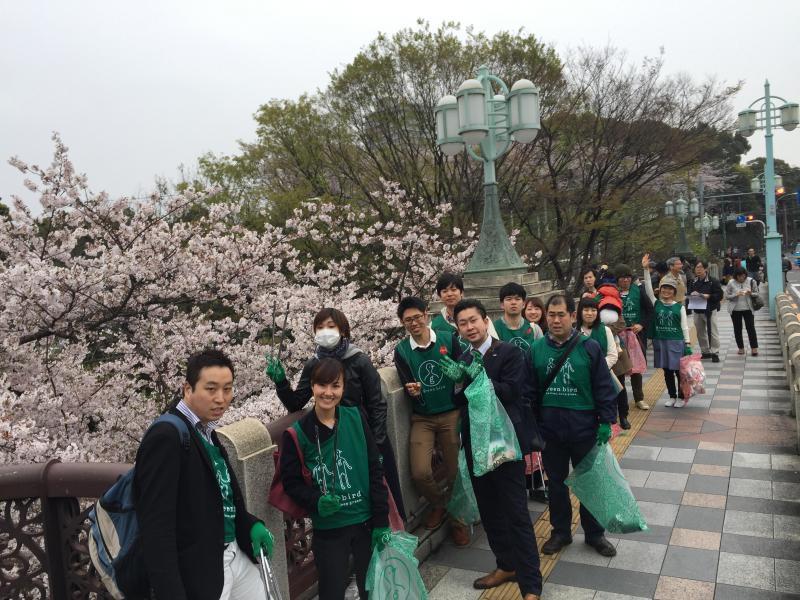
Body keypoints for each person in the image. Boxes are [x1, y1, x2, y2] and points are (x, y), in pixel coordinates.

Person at [134, 349, 274, 600]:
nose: (221, 398)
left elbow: (224, 496)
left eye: (227, 389)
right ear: (188, 389)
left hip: (234, 554)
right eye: (211, 389)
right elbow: (156, 527)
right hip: (201, 566)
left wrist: (249, 524)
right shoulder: (167, 436)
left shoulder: (206, 431)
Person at [440, 299, 542, 600]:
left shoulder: (508, 352)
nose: (469, 327)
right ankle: (505, 565)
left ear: (486, 321)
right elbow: (458, 400)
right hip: (475, 442)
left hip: (505, 444)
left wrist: (473, 376)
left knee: (516, 513)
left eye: (474, 320)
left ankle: (531, 584)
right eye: (463, 323)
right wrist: (458, 382)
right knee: (489, 510)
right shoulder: (463, 353)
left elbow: (511, 391)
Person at [265, 307, 405, 519]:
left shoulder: (359, 359)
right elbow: (297, 403)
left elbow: (376, 403)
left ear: (343, 330)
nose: (325, 331)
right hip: (328, 434)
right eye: (320, 327)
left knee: (379, 488)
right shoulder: (313, 363)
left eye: (331, 326)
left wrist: (376, 444)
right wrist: (281, 382)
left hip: (362, 429)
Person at [279, 358, 389, 600]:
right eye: (321, 385)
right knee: (331, 590)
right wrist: (316, 501)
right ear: (312, 387)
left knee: (372, 588)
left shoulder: (356, 417)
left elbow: (375, 469)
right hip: (329, 528)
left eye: (335, 386)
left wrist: (382, 520)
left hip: (365, 521)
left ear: (343, 387)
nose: (328, 393)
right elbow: (291, 482)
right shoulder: (297, 433)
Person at [531, 294, 618, 558]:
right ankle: (560, 532)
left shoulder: (589, 347)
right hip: (551, 431)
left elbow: (604, 387)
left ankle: (595, 534)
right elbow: (530, 391)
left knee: (590, 482)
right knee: (556, 484)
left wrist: (606, 421)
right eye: (551, 315)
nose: (556, 320)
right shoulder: (536, 350)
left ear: (572, 315)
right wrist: (533, 427)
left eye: (561, 314)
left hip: (585, 430)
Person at [393, 296, 468, 545]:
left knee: (455, 469)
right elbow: (405, 381)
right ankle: (440, 504)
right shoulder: (402, 350)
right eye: (407, 321)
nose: (413, 323)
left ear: (426, 314)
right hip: (423, 417)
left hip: (450, 412)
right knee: (420, 472)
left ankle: (459, 519)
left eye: (417, 317)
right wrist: (411, 390)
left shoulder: (449, 338)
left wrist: (459, 375)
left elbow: (464, 371)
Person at [642, 254, 692, 407]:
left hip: (676, 342)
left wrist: (688, 343)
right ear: (661, 290)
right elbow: (648, 288)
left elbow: (684, 326)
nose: (666, 291)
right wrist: (645, 270)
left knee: (679, 371)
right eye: (664, 288)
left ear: (674, 291)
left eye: (670, 289)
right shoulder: (656, 303)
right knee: (667, 371)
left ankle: (682, 396)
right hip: (661, 341)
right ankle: (672, 396)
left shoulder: (679, 307)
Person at [615, 263, 653, 411]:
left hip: (636, 335)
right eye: (622, 278)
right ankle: (621, 400)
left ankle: (639, 398)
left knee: (636, 368)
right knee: (619, 368)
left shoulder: (638, 290)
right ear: (617, 280)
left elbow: (650, 310)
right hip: (618, 335)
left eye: (628, 278)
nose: (626, 281)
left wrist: (642, 324)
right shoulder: (612, 293)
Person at [430, 271, 498, 342]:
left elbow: (495, 344)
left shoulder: (480, 317)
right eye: (445, 291)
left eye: (453, 290)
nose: (449, 294)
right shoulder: (434, 325)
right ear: (439, 296)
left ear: (461, 292)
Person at [686, 260, 724, 363]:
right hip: (697, 309)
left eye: (700, 267)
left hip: (709, 309)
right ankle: (705, 351)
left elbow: (720, 295)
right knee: (700, 331)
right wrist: (691, 294)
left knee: (712, 332)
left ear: (706, 269)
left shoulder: (713, 281)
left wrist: (709, 296)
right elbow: (688, 293)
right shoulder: (693, 281)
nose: (698, 270)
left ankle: (715, 352)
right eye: (696, 267)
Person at [494, 282, 544, 351]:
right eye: (509, 299)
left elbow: (541, 356)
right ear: (502, 304)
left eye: (517, 299)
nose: (513, 302)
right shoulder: (494, 329)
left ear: (523, 304)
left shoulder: (535, 329)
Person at [725, 266, 760, 356]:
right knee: (737, 329)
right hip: (735, 309)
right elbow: (726, 296)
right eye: (739, 276)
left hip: (748, 309)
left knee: (751, 328)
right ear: (736, 276)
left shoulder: (751, 281)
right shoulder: (731, 282)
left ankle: (754, 348)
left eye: (743, 276)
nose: (741, 278)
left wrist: (750, 293)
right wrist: (735, 294)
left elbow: (757, 293)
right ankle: (741, 348)